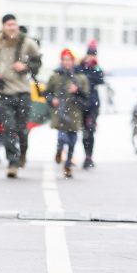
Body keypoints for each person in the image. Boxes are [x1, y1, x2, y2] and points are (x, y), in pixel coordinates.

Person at [0, 14, 41, 178]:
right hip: (5, 93)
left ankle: (22, 152)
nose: (12, 27)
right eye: (9, 25)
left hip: (23, 92)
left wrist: (26, 66)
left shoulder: (27, 43)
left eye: (14, 24)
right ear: (4, 27)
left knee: (22, 129)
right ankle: (12, 162)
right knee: (8, 129)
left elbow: (37, 63)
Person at [45, 49, 90, 179]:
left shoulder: (81, 78)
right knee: (62, 137)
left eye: (69, 60)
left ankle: (68, 165)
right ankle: (59, 151)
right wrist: (51, 99)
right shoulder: (55, 76)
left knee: (72, 141)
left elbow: (86, 97)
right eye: (64, 60)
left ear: (73, 61)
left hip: (75, 112)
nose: (67, 62)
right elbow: (47, 92)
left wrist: (77, 91)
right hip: (59, 111)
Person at [74, 40, 104, 169]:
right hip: (80, 102)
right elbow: (74, 75)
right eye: (90, 54)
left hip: (92, 104)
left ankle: (88, 157)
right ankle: (70, 155)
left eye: (94, 54)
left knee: (89, 130)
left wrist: (94, 67)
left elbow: (100, 79)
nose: (92, 57)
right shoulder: (79, 66)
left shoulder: (96, 68)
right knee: (75, 129)